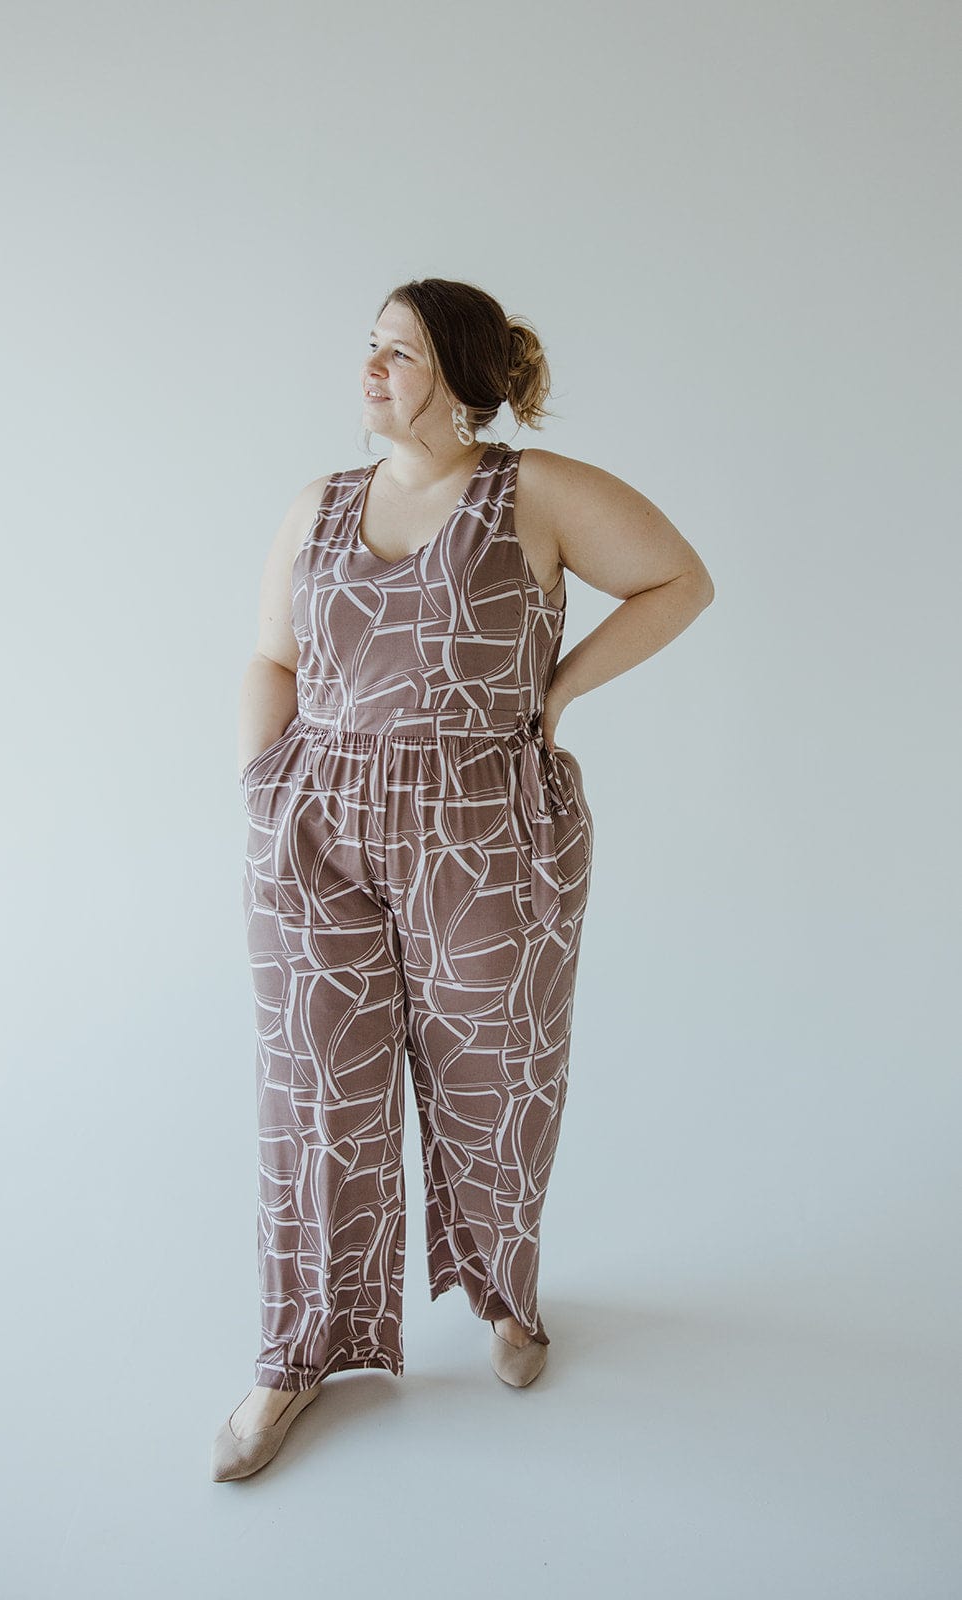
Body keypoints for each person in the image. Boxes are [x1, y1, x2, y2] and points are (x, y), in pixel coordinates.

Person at [211, 277, 714, 1481]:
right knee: (313, 1092)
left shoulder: (528, 492)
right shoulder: (319, 507)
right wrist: (264, 790)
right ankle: (297, 1353)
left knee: (496, 1074)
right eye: (371, 348)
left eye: (397, 350)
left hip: (487, 829)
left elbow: (676, 580)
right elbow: (272, 657)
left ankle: (502, 1296)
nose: (371, 369)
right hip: (317, 834)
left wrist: (556, 692)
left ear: (460, 371)